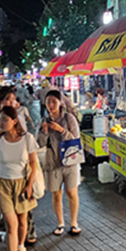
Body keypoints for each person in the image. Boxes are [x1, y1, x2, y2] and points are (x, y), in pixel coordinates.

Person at [0, 106, 40, 251]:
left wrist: (29, 185)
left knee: (22, 221)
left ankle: (20, 246)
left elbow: (33, 163)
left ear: (15, 121)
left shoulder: (27, 139)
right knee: (11, 224)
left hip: (22, 183)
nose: (1, 123)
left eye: (5, 119)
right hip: (2, 184)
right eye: (0, 120)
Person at [0, 86, 37, 243]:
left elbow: (24, 137)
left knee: (24, 201)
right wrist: (1, 129)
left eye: (13, 100)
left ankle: (28, 231)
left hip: (19, 167)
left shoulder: (18, 116)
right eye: (7, 100)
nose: (11, 103)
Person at [38, 90, 83, 236]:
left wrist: (61, 130)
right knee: (56, 194)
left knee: (71, 191)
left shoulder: (69, 118)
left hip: (70, 160)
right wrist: (44, 132)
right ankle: (60, 224)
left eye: (53, 101)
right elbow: (40, 144)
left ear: (60, 102)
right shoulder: (44, 120)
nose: (51, 105)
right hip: (53, 161)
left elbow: (76, 139)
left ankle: (74, 223)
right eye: (48, 102)